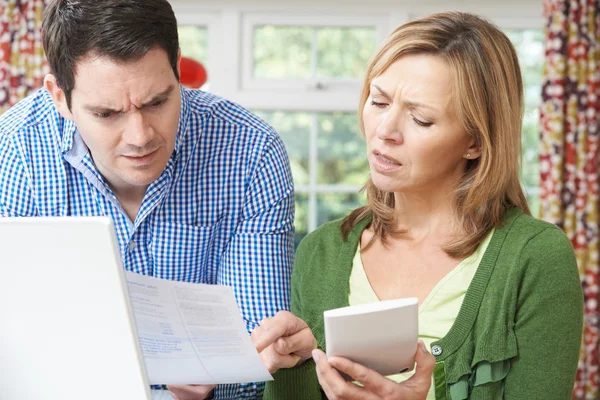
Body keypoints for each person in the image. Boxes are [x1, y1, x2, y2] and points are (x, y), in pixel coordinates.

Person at [251, 11, 584, 400]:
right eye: (378, 101)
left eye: (421, 119)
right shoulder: (321, 252)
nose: (385, 131)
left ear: (475, 142)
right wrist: (293, 365)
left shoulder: (536, 259)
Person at [0, 0, 294, 399]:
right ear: (59, 96)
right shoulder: (13, 153)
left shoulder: (250, 151)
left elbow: (256, 353)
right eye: (107, 114)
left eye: (157, 102)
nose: (140, 137)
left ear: (177, 69)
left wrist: (216, 385)